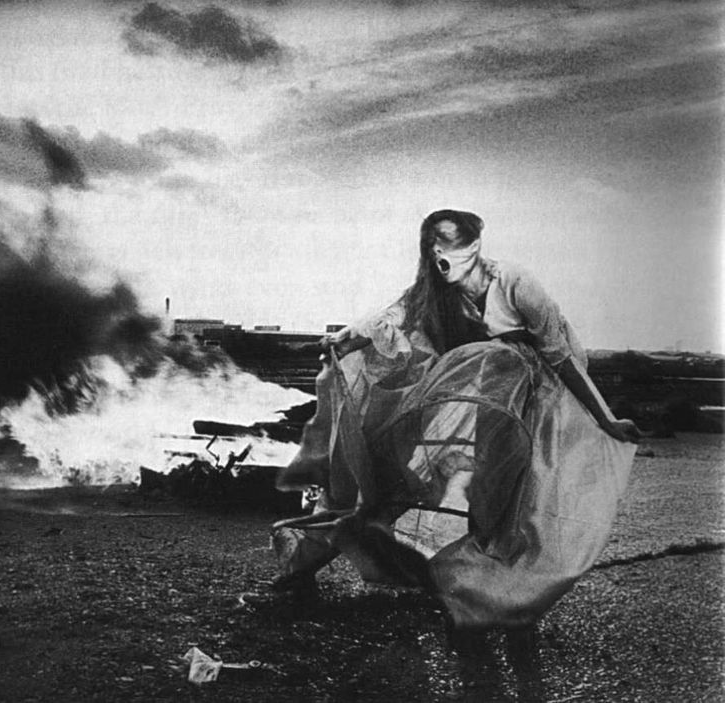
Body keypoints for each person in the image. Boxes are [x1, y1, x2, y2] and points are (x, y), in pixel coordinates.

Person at [270, 209, 639, 630]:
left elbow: (560, 355)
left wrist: (607, 420)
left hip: (528, 402)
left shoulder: (516, 282)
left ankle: (489, 592)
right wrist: (342, 340)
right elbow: (391, 317)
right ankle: (302, 560)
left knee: (507, 496)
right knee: (385, 476)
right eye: (432, 245)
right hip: (469, 395)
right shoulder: (433, 292)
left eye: (448, 243)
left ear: (474, 245)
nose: (438, 254)